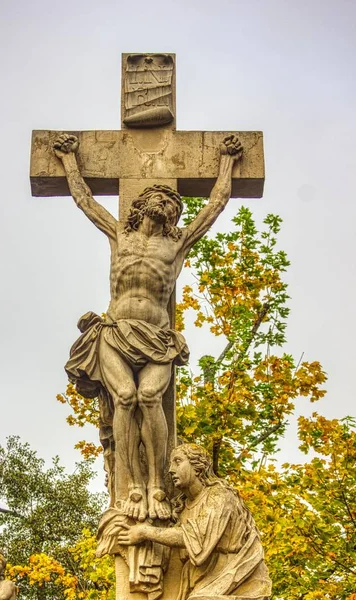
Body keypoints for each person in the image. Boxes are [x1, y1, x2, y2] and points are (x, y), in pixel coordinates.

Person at [54, 134, 243, 523]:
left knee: (149, 397)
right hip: (116, 332)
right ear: (143, 205)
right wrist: (70, 160)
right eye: (163, 201)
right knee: (125, 397)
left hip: (158, 337)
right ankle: (133, 486)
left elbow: (214, 206)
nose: (169, 207)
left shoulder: (175, 245)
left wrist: (226, 162)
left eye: (174, 206)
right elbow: (86, 202)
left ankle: (158, 483)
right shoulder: (119, 235)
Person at [117, 444, 272, 600]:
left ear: (198, 467)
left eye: (178, 461)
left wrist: (145, 532)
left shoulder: (220, 495)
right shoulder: (182, 506)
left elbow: (196, 536)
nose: (171, 469)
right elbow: (173, 544)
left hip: (236, 578)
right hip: (200, 581)